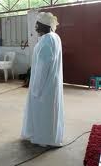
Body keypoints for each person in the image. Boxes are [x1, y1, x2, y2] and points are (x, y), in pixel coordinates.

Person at [21, 12, 64, 147]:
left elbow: (43, 67)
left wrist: (36, 89)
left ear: (45, 26)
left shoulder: (46, 40)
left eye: (37, 25)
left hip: (44, 87)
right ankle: (49, 136)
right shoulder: (55, 37)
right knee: (50, 112)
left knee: (43, 113)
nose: (35, 28)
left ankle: (43, 139)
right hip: (52, 84)